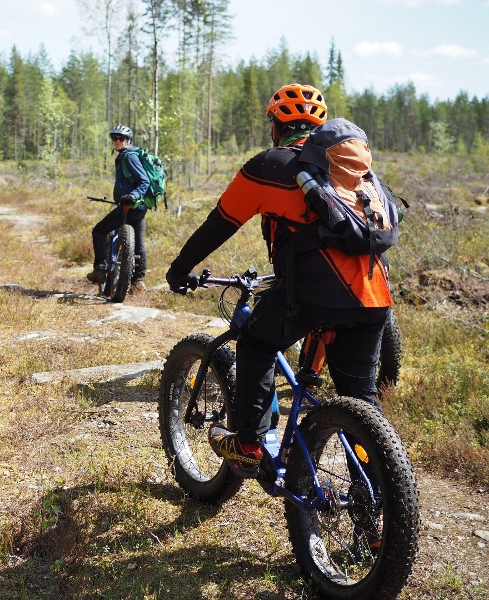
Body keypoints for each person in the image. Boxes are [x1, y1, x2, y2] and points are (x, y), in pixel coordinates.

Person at [165, 83, 393, 478]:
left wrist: (180, 268)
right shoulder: (353, 173)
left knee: (256, 341)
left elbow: (219, 224)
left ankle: (249, 443)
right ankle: (377, 511)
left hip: (312, 295)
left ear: (276, 125)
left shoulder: (269, 165)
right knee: (361, 402)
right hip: (374, 297)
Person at [87, 125, 150, 292]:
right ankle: (138, 281)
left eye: (121, 138)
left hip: (131, 205)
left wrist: (133, 195)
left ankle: (100, 269)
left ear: (128, 140)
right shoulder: (126, 155)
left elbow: (144, 181)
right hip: (139, 207)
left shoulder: (129, 157)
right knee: (139, 244)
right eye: (114, 138)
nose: (117, 141)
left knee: (99, 231)